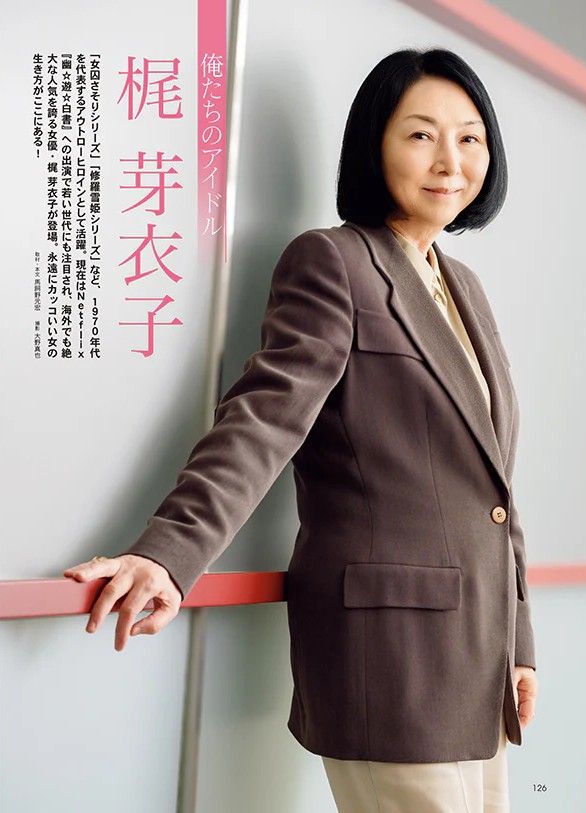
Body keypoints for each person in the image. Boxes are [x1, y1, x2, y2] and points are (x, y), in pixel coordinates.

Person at [64, 48, 538, 811]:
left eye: (470, 136)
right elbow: (262, 419)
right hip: (391, 651)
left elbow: (493, 489)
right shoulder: (334, 262)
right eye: (420, 135)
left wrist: (518, 643)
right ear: (373, 146)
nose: (450, 159)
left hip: (475, 659)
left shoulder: (464, 288)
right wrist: (168, 553)